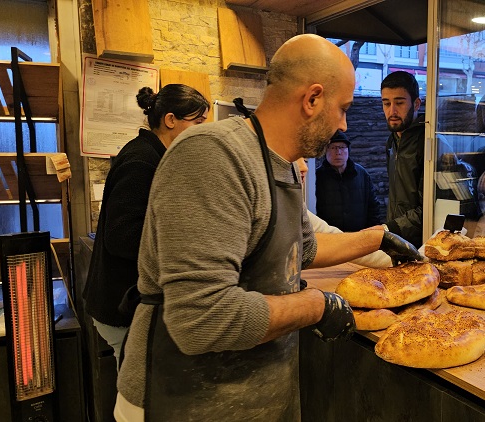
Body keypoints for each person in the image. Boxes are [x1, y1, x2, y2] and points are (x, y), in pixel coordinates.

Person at [114, 34, 421, 422]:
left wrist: (376, 238)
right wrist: (316, 305)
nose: (344, 122)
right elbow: (201, 319)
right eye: (342, 108)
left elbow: (303, 251)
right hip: (183, 398)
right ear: (312, 100)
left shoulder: (285, 165)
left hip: (256, 395)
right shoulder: (211, 155)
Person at [83, 84, 210, 366]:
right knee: (136, 394)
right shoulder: (141, 160)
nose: (203, 131)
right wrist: (182, 245)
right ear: (170, 120)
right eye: (198, 122)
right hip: (120, 306)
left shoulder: (156, 155)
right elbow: (121, 235)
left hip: (126, 302)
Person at [296, 158, 392, 268]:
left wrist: (394, 259)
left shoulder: (361, 174)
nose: (304, 167)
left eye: (304, 160)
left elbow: (330, 235)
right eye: (293, 159)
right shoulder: (319, 175)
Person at [381, 70, 426, 247]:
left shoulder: (428, 142)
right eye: (386, 103)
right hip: (398, 239)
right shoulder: (392, 141)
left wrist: (389, 228)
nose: (392, 111)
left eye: (399, 102)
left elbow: (429, 207)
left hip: (422, 244)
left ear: (416, 104)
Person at [315, 130, 381, 232]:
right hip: (329, 237)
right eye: (333, 148)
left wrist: (371, 232)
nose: (338, 152)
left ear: (348, 150)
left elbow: (373, 207)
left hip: (359, 235)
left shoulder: (361, 174)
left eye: (342, 147)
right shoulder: (317, 177)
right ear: (325, 151)